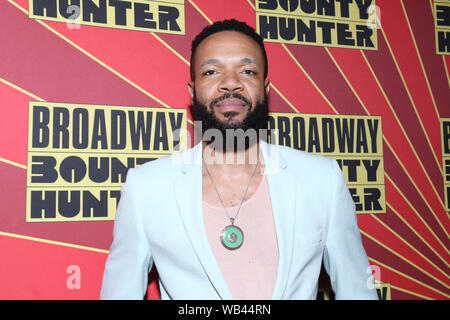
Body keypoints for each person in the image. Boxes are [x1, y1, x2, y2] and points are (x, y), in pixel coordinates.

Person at [100, 19, 378, 300]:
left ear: (266, 88)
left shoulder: (321, 179)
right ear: (192, 90)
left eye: (247, 70)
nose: (231, 83)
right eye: (211, 71)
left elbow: (357, 290)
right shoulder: (146, 187)